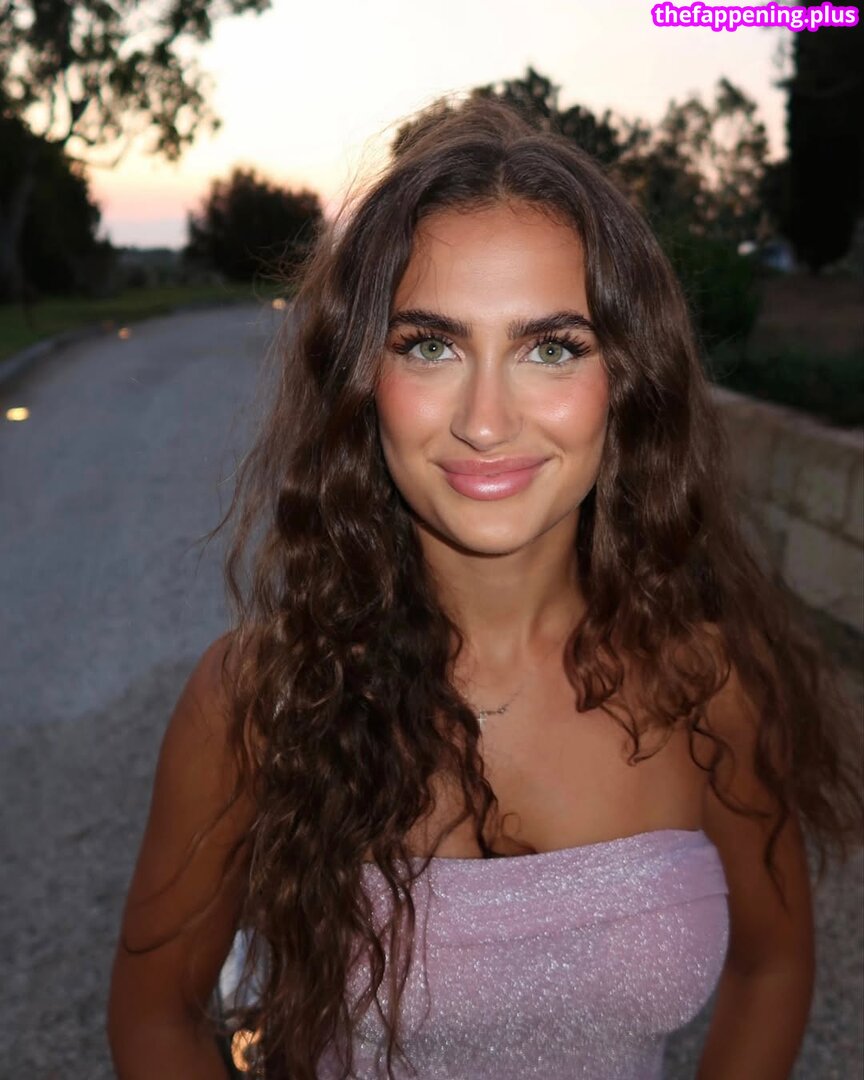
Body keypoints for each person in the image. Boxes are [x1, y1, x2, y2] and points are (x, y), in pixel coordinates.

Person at [107, 97, 862, 1080]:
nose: (487, 420)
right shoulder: (260, 699)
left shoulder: (709, 683)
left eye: (552, 347)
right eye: (432, 345)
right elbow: (158, 1018)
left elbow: (773, 964)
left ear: (629, 379)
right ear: (362, 378)